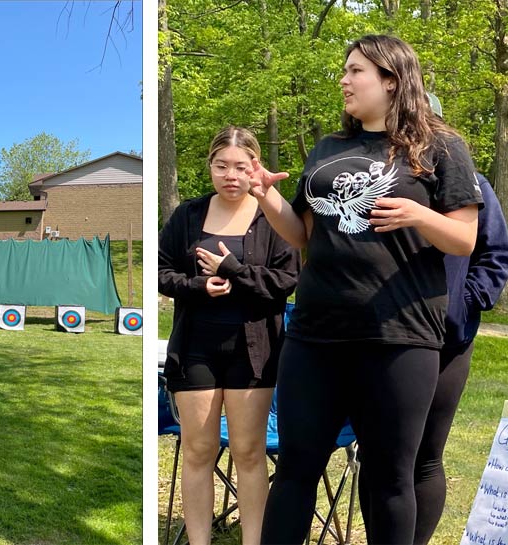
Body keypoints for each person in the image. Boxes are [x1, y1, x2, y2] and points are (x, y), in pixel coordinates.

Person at [247, 34, 484, 544]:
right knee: (293, 471)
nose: (344, 80)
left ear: (392, 80)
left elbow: (465, 239)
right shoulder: (330, 147)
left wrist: (419, 214)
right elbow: (304, 234)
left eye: (356, 70)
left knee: (390, 479)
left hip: (398, 338)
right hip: (314, 336)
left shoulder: (442, 147)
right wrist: (266, 196)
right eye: (345, 70)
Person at [158, 125, 301, 545]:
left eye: (241, 166)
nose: (231, 175)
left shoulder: (273, 215)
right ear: (210, 167)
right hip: (195, 348)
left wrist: (232, 273)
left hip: (254, 352)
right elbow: (163, 272)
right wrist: (197, 286)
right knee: (198, 451)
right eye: (221, 166)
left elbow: (285, 280)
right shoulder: (188, 214)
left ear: (255, 168)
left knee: (249, 453)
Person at [412, 95, 508, 544]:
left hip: (447, 341)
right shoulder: (376, 178)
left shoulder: (469, 181)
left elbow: (494, 255)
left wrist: (462, 303)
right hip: (383, 338)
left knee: (426, 457)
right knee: (385, 458)